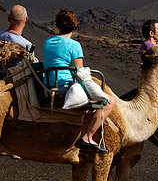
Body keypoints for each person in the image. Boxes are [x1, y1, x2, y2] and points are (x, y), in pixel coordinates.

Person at [43, 8, 114, 153]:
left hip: (50, 84)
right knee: (109, 102)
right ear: (75, 26)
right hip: (66, 86)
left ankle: (86, 137)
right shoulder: (74, 45)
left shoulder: (47, 41)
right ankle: (87, 137)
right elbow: (79, 72)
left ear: (58, 25)